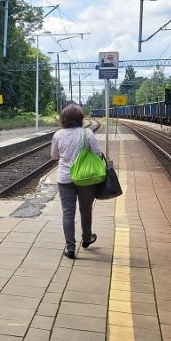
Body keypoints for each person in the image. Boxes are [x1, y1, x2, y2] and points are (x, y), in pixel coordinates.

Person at [51, 103, 103, 259]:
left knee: (68, 213)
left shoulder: (58, 135)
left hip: (65, 179)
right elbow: (98, 154)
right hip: (86, 179)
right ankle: (86, 239)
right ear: (80, 119)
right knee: (85, 210)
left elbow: (54, 156)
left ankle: (70, 248)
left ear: (63, 119)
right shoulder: (87, 133)